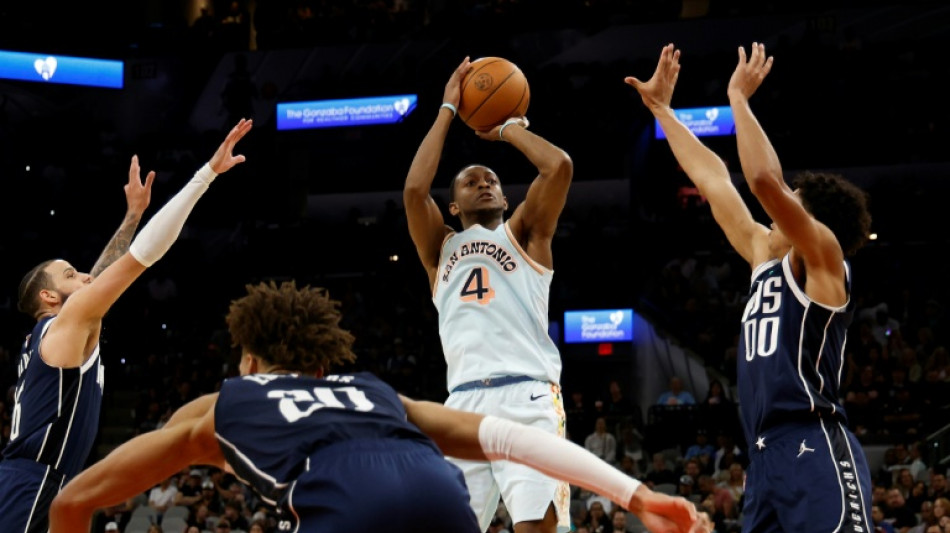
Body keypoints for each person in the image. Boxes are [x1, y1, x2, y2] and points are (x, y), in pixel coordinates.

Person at [49, 280, 709, 533]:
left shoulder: (223, 403)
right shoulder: (374, 390)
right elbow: (506, 437)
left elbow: (71, 503)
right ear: (318, 362)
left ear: (247, 359)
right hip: (440, 497)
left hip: (349, 504)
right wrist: (635, 494)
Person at [626, 43, 874, 531]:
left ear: (813, 220)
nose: (779, 207)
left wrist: (738, 98)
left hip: (814, 441)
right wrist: (662, 110)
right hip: (763, 454)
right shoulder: (764, 255)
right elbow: (713, 179)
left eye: (793, 201)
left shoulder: (825, 262)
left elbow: (763, 179)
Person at [0, 118, 254, 532]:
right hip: (34, 483)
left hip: (39, 479)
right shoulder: (67, 324)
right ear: (48, 297)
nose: (84, 275)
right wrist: (205, 175)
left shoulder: (57, 331)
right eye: (70, 274)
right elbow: (142, 258)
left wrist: (133, 214)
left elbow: (96, 278)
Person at [403, 57, 574, 533]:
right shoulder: (440, 250)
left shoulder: (525, 233)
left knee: (535, 528)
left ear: (504, 199)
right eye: (472, 182)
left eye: (492, 181)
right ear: (453, 205)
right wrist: (447, 109)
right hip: (462, 405)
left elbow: (558, 166)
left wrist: (506, 129)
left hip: (528, 396)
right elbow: (415, 191)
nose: (485, 184)